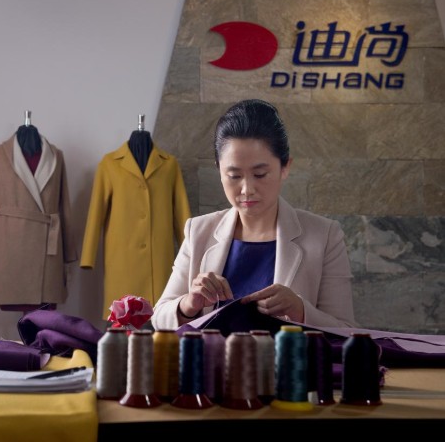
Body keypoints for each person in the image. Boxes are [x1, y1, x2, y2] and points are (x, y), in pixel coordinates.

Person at [151, 99, 357, 330]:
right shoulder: (199, 231)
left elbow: (346, 330)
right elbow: (159, 317)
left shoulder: (324, 235)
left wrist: (301, 311)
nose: (247, 189)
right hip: (210, 355)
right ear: (219, 170)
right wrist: (188, 305)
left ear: (285, 167)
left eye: (260, 174)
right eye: (234, 176)